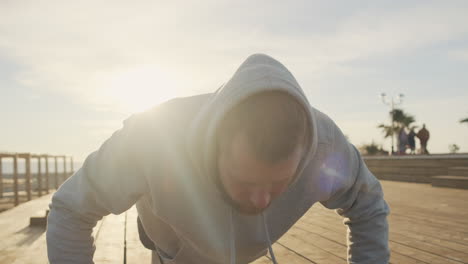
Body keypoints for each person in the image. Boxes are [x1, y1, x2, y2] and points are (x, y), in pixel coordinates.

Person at [46, 54, 390, 264]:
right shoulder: (153, 137)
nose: (261, 199)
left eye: (278, 184)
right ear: (213, 146)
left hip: (242, 245)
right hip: (169, 231)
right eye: (245, 181)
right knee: (161, 243)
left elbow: (368, 206)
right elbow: (70, 208)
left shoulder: (326, 148)